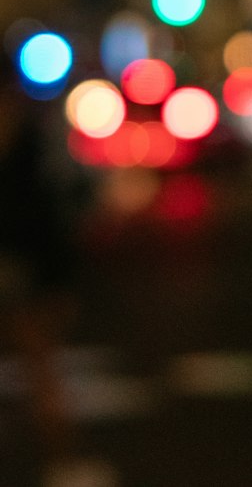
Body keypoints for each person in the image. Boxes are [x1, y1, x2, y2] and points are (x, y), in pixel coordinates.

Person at [0, 54, 117, 487]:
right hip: (26, 270)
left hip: (25, 270)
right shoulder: (33, 142)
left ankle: (62, 459)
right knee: (42, 371)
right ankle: (63, 461)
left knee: (41, 369)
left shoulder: (32, 143)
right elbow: (49, 216)